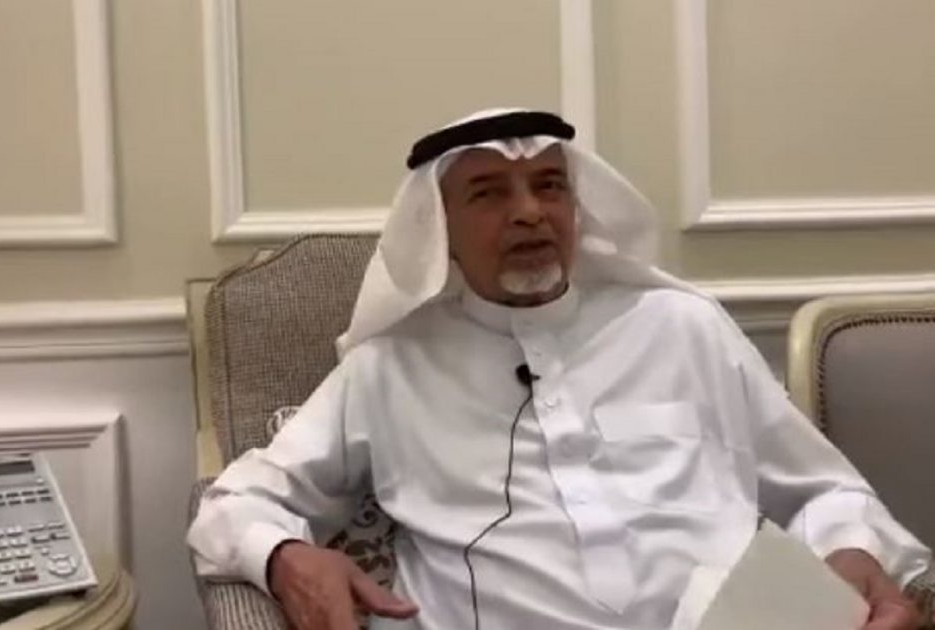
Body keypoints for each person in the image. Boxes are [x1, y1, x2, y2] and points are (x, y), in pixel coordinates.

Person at [187, 108, 931, 630]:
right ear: (439, 229)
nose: (529, 212)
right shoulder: (389, 369)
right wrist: (285, 557)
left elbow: (824, 489)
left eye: (549, 185)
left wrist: (852, 550)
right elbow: (236, 503)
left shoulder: (682, 328)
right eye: (489, 193)